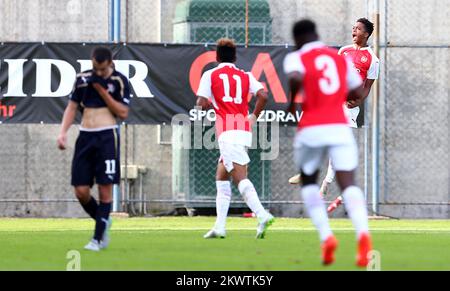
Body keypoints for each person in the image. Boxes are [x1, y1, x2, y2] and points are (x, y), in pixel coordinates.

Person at [284, 19, 372, 266]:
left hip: (312, 127)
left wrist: (292, 102)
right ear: (317, 34)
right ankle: (363, 236)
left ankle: (326, 238)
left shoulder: (296, 57)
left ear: (299, 38)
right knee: (349, 184)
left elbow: (294, 78)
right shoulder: (339, 57)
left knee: (308, 182)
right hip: (339, 126)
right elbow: (355, 91)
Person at [196, 38, 274, 239]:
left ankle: (262, 214)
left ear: (216, 56)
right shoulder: (245, 75)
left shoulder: (211, 74)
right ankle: (219, 226)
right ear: (235, 57)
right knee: (221, 176)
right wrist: (253, 116)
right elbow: (263, 95)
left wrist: (203, 105)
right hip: (243, 129)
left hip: (227, 131)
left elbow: (202, 102)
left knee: (240, 178)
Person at [57, 46, 130, 251]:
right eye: (95, 69)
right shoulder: (82, 79)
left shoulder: (119, 81)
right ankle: (103, 220)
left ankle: (97, 239)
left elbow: (123, 112)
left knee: (105, 190)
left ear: (110, 64)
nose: (98, 74)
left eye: (103, 70)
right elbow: (72, 107)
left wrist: (102, 92)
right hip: (85, 137)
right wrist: (63, 132)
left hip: (106, 137)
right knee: (81, 190)